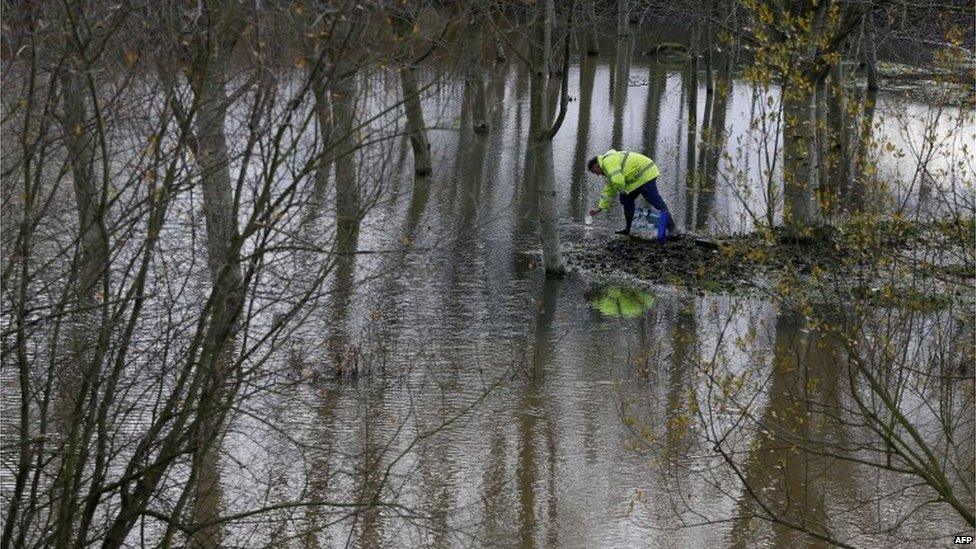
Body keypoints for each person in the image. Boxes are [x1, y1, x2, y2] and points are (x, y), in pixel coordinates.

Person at [587, 149, 678, 236]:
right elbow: (608, 192)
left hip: (646, 172)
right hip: (636, 179)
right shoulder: (607, 172)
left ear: (596, 165)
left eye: (595, 172)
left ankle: (673, 229)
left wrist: (623, 192)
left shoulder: (608, 161)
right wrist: (599, 209)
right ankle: (628, 229)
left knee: (654, 200)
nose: (597, 175)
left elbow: (618, 181)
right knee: (626, 200)